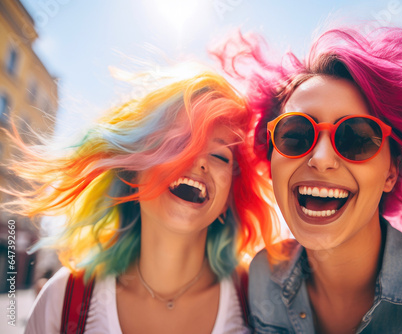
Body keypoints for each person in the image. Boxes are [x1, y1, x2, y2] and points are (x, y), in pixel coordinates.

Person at [213, 27, 402, 333]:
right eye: (295, 135)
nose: (321, 159)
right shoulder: (261, 278)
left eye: (355, 137)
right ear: (272, 160)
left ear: (391, 172)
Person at [6, 64, 280, 333]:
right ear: (134, 170)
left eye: (220, 156)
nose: (199, 161)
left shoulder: (261, 303)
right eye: (179, 143)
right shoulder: (63, 298)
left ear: (230, 195)